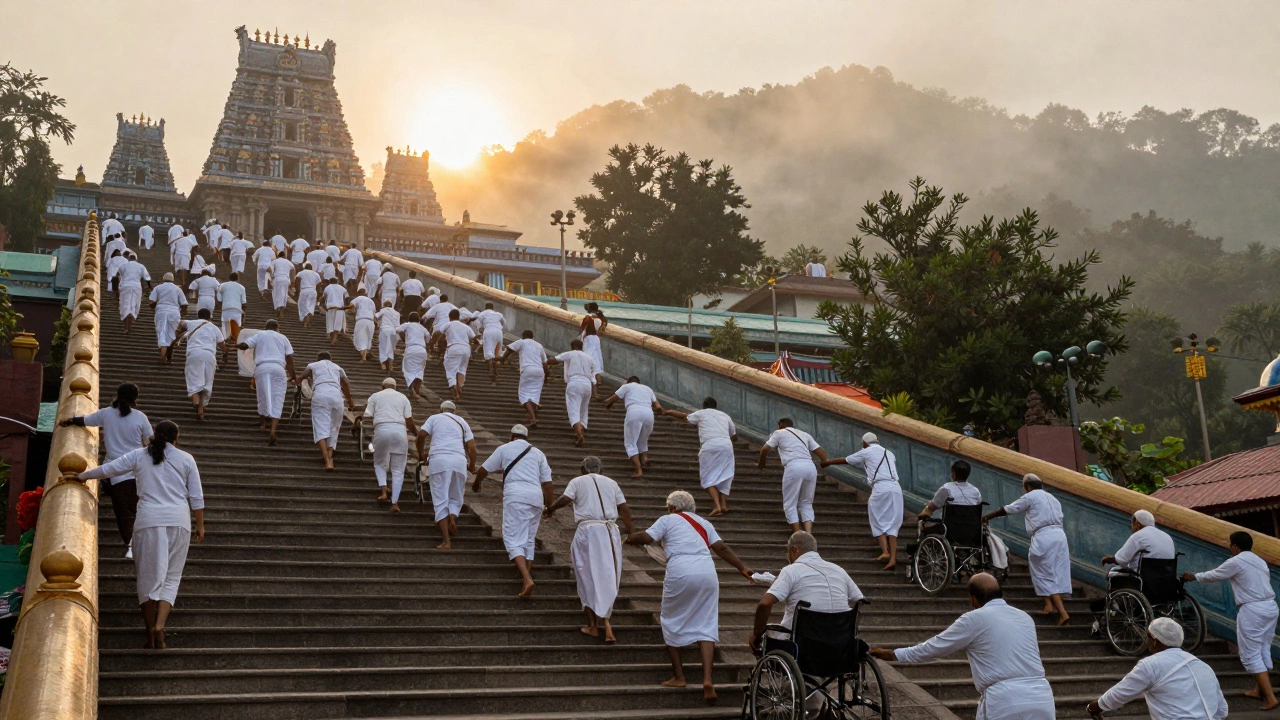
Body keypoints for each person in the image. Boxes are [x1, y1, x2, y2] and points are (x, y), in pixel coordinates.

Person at [74, 420, 204, 651]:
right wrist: (200, 525)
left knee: (146, 577)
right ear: (176, 438)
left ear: (154, 434)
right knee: (172, 576)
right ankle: (160, 626)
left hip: (148, 522)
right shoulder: (186, 459)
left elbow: (109, 469)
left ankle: (149, 631)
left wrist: (81, 476)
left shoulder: (139, 455)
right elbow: (196, 496)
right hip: (179, 522)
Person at [870, 573, 1055, 720]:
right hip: (1041, 696)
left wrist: (893, 654)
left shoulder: (974, 618)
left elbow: (934, 647)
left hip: (1006, 700)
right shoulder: (1025, 617)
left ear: (973, 599)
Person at [625, 490, 753, 703]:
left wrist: (631, 538)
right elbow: (721, 547)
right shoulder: (704, 523)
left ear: (672, 507)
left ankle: (679, 676)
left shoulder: (668, 519)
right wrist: (742, 568)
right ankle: (707, 680)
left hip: (681, 570)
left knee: (670, 620)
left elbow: (647, 537)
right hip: (707, 572)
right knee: (706, 624)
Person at [1182, 530, 1279, 710]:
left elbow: (1215, 574)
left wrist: (1194, 576)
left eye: (1230, 544)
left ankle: (1271, 698)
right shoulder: (1259, 561)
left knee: (1250, 652)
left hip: (1253, 610)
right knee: (1263, 648)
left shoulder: (1237, 561)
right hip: (1270, 608)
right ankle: (1259, 690)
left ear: (1235, 546)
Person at [545, 456, 633, 643]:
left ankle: (594, 625)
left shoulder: (577, 481)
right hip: (610, 532)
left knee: (586, 575)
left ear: (583, 470)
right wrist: (631, 533)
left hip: (588, 531)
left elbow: (565, 499)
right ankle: (606, 622)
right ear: (601, 470)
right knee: (608, 575)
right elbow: (625, 509)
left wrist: (550, 509)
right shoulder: (612, 483)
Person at [60, 383, 151, 555]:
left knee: (124, 513)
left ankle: (131, 546)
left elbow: (85, 420)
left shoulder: (106, 413)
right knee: (138, 510)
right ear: (135, 399)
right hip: (138, 471)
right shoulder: (140, 417)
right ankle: (143, 545)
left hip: (115, 472)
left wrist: (70, 420)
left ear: (117, 395)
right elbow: (149, 441)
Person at [1086, 617, 1227, 720]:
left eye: (1148, 638)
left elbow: (1120, 693)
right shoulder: (1203, 666)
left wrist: (1095, 707)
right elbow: (1222, 710)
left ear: (1154, 640)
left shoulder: (1150, 665)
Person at [749, 531, 864, 654]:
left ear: (794, 550)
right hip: (840, 642)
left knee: (769, 636)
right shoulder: (839, 570)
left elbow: (765, 603)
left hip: (803, 644)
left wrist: (757, 633)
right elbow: (860, 599)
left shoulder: (791, 570)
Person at [474, 424, 553, 597]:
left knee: (512, 539)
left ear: (512, 436)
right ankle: (525, 579)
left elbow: (483, 470)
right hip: (536, 498)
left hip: (516, 496)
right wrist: (550, 506)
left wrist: (476, 483)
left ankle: (527, 579)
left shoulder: (505, 449)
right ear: (526, 437)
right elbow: (547, 483)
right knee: (529, 539)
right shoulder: (538, 453)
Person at [982, 474, 1072, 625]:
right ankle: (1048, 605)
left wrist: (987, 517)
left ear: (1028, 487)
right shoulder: (1053, 498)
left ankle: (1062, 613)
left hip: (1043, 537)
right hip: (1060, 537)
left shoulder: (1031, 496)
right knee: (1055, 571)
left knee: (1043, 571)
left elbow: (1009, 509)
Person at [823, 432, 904, 570]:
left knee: (876, 518)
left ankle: (885, 551)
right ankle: (892, 559)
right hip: (896, 488)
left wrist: (828, 462)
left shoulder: (866, 451)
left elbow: (846, 460)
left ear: (865, 443)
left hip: (880, 488)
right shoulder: (889, 453)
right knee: (893, 524)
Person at [416, 401, 478, 545]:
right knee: (456, 497)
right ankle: (452, 518)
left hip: (439, 460)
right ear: (454, 412)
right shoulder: (462, 422)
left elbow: (421, 435)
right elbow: (472, 447)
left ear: (440, 410)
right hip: (459, 461)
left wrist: (421, 453)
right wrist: (472, 465)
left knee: (440, 499)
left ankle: (446, 541)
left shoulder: (434, 418)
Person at [664, 397, 737, 517]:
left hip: (710, 445)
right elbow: (734, 435)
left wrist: (669, 412)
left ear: (704, 406)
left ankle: (717, 506)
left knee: (707, 477)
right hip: (726, 445)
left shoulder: (701, 413)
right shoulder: (725, 415)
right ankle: (724, 505)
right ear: (716, 407)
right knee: (725, 475)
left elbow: (685, 417)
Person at [759, 418, 829, 534]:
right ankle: (808, 533)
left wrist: (761, 464)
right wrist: (823, 463)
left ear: (781, 425)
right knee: (806, 502)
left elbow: (765, 449)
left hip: (794, 466)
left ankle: (798, 533)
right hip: (810, 467)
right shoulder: (805, 434)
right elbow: (822, 454)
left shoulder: (779, 433)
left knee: (790, 503)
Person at [237, 319, 296, 445]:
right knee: (278, 398)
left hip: (262, 367)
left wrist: (235, 346)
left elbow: (245, 345)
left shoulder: (260, 335)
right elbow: (289, 358)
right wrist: (293, 375)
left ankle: (263, 425)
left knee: (262, 396)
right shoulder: (283, 337)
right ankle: (273, 430)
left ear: (266, 327)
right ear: (277, 327)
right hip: (278, 368)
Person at [294, 351, 353, 470]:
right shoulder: (337, 367)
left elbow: (302, 376)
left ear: (318, 359)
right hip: (337, 396)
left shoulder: (313, 365)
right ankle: (330, 455)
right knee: (334, 427)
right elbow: (346, 383)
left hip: (320, 395)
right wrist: (349, 400)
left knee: (320, 426)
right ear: (331, 359)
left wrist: (297, 380)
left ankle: (327, 460)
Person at [603, 376, 663, 477]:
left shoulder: (627, 386)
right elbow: (657, 404)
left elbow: (614, 397)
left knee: (630, 443)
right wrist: (659, 409)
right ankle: (644, 459)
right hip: (649, 413)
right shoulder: (647, 389)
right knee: (643, 440)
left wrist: (607, 404)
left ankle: (638, 470)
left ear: (629, 382)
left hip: (634, 411)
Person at [545, 339, 595, 447]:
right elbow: (593, 375)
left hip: (574, 382)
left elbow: (555, 360)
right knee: (583, 410)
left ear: (572, 347)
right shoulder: (589, 358)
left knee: (573, 410)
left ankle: (579, 435)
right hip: (587, 384)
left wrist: (545, 363)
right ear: (582, 347)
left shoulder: (570, 354)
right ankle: (580, 430)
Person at [177, 308, 224, 422]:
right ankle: (201, 409)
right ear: (209, 317)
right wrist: (226, 354)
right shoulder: (214, 327)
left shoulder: (191, 323)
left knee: (194, 382)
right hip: (209, 356)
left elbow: (181, 322)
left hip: (194, 354)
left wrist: (179, 331)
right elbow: (222, 344)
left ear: (198, 316)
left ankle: (197, 404)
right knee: (207, 384)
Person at [1101, 509, 1175, 575]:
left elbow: (1121, 559)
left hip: (1143, 575)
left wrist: (1108, 559)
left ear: (1137, 523)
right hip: (1165, 575)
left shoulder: (1138, 535)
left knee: (1112, 571)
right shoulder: (1167, 536)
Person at [501, 330, 548, 427]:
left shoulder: (522, 342)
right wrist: (546, 374)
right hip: (539, 371)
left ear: (523, 336)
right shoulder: (539, 345)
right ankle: (534, 410)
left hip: (527, 369)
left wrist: (502, 358)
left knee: (524, 395)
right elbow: (544, 362)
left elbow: (509, 349)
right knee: (534, 395)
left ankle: (533, 419)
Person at [432, 309, 477, 401]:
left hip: (454, 347)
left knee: (450, 370)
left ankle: (455, 391)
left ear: (449, 317)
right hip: (466, 348)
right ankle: (460, 386)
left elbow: (438, 332)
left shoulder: (449, 324)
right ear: (458, 317)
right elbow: (474, 338)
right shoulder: (465, 326)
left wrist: (432, 344)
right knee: (462, 369)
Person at [918, 459, 982, 520]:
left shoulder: (947, 488)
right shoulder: (975, 491)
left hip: (951, 526)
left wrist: (921, 516)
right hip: (972, 525)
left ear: (953, 474)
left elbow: (931, 507)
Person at [148, 272, 187, 364]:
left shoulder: (158, 288)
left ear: (163, 279)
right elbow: (184, 304)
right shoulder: (177, 289)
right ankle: (169, 355)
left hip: (161, 311)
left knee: (162, 332)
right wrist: (183, 312)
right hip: (174, 312)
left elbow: (152, 301)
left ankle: (163, 354)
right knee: (172, 333)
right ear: (172, 280)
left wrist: (153, 307)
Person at [396, 312, 431, 398]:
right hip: (422, 350)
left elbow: (397, 329)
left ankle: (411, 389)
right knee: (420, 371)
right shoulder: (422, 328)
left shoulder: (408, 325)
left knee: (408, 370)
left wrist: (403, 336)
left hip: (411, 349)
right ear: (418, 319)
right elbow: (428, 337)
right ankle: (417, 390)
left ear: (409, 319)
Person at [117, 252, 152, 334]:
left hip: (125, 287)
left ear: (128, 258)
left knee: (125, 306)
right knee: (134, 306)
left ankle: (126, 327)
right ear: (136, 259)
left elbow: (119, 274)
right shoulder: (141, 266)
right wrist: (150, 287)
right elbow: (147, 278)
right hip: (136, 287)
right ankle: (129, 325)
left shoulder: (124, 265)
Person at [216, 272, 247, 364]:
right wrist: (243, 315)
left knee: (225, 334)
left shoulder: (223, 285)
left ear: (229, 278)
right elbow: (244, 303)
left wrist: (222, 302)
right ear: (237, 279)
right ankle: (239, 356)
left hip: (226, 310)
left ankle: (225, 353)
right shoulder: (241, 287)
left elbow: (219, 299)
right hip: (237, 311)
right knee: (236, 335)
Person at [474, 302, 506, 383]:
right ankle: (496, 368)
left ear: (485, 308)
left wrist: (481, 329)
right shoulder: (498, 314)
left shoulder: (482, 314)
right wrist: (500, 327)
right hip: (499, 331)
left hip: (489, 330)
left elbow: (477, 323)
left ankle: (491, 369)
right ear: (492, 308)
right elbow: (504, 322)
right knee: (497, 351)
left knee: (488, 350)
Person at [580, 310, 606, 398]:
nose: (602, 331)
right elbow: (593, 351)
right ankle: (595, 394)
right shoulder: (594, 338)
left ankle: (593, 393)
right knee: (593, 378)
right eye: (601, 329)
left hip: (589, 358)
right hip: (592, 359)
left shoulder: (587, 336)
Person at [351, 289, 377, 362]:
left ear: (359, 294)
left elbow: (351, 308)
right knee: (367, 339)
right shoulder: (371, 301)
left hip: (361, 320)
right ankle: (365, 355)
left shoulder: (358, 298)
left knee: (360, 338)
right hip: (370, 321)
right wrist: (376, 323)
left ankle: (363, 358)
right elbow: (374, 313)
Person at [375, 301, 401, 372]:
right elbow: (398, 325)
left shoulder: (384, 310)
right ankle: (390, 366)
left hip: (384, 330)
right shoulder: (397, 313)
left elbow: (375, 316)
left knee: (383, 347)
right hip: (393, 331)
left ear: (384, 306)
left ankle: (383, 364)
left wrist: (376, 324)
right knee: (391, 349)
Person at [322, 277, 350, 344]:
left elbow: (324, 297)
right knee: (337, 324)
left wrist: (322, 305)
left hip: (330, 307)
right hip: (339, 308)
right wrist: (346, 306)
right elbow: (347, 297)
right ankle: (334, 338)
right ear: (337, 281)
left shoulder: (327, 287)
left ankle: (333, 338)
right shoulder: (342, 288)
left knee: (330, 324)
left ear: (330, 282)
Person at [269, 251, 295, 317]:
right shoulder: (288, 262)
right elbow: (293, 269)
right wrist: (293, 280)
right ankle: (282, 311)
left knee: (276, 294)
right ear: (284, 256)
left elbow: (269, 269)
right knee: (284, 294)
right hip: (285, 279)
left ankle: (278, 308)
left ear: (278, 256)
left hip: (277, 278)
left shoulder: (275, 261)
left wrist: (271, 275)